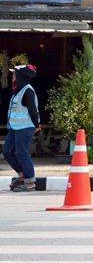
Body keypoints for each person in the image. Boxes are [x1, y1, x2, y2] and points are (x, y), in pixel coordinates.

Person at [5, 64, 39, 192]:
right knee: (7, 152)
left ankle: (30, 183)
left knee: (22, 153)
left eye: (15, 74)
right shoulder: (18, 90)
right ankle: (23, 176)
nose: (13, 76)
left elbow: (33, 110)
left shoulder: (27, 91)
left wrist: (36, 125)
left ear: (21, 76)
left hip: (25, 127)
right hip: (15, 127)